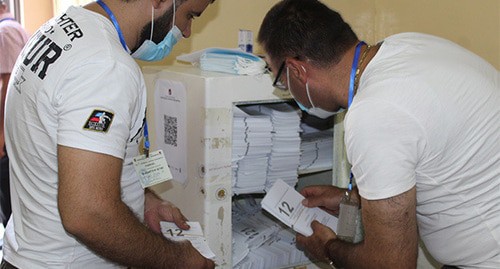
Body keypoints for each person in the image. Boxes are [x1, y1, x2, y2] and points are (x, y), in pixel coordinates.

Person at [258, 0, 499, 268]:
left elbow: (391, 263)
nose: (286, 90)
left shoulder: (374, 112)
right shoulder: (408, 45)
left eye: (281, 82)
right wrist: (351, 199)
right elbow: (437, 159)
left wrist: (327, 247)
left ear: (297, 70)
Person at [2, 0, 216, 268]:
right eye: (190, 15)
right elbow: (88, 213)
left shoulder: (61, 28)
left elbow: (59, 156)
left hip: (27, 253)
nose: (186, 31)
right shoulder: (106, 66)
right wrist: (179, 260)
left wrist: (143, 200)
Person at [0, 0, 28, 229]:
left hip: (9, 131)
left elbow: (8, 83)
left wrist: (0, 133)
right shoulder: (15, 27)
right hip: (17, 127)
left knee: (8, 195)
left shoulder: (6, 31)